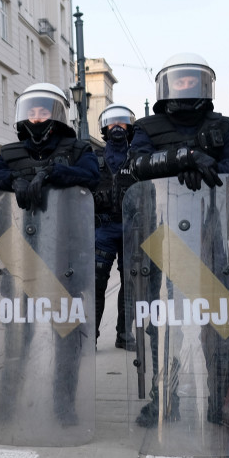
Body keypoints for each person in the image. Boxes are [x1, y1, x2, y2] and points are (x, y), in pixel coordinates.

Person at [128, 53, 229, 429]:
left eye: (192, 81)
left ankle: (224, 402)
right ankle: (163, 399)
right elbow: (135, 165)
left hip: (210, 237)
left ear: (204, 86)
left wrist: (212, 169)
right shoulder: (149, 127)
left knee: (219, 325)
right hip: (164, 236)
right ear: (166, 88)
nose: (185, 87)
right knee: (165, 325)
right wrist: (182, 158)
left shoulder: (221, 126)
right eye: (179, 81)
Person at [0, 83, 100, 425]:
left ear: (57, 115)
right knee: (18, 333)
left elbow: (92, 176)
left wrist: (56, 174)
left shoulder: (78, 149)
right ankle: (7, 403)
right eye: (31, 111)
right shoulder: (11, 152)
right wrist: (16, 180)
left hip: (65, 259)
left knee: (66, 336)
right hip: (22, 259)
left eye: (43, 111)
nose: (36, 118)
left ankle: (64, 406)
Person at [92, 103, 139, 351]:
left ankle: (124, 334)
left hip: (133, 229)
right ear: (104, 127)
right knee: (95, 283)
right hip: (103, 229)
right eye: (112, 122)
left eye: (122, 122)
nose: (117, 127)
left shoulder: (139, 157)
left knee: (131, 283)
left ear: (130, 127)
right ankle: (90, 336)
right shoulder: (93, 158)